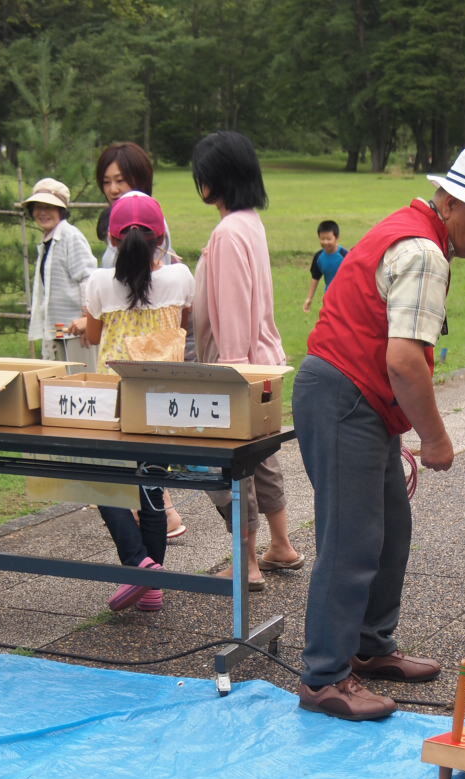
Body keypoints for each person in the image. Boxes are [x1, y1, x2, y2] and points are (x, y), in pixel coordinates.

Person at [295, 147, 465, 721]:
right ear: (453, 203)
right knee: (349, 542)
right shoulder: (424, 251)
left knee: (389, 529)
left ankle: (370, 646)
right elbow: (404, 361)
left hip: (355, 396)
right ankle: (325, 677)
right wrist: (437, 438)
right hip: (346, 396)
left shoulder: (413, 231)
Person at [191, 131, 302, 591]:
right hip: (262, 363)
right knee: (262, 460)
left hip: (240, 367)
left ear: (212, 182)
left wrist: (231, 375)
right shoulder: (249, 222)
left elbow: (233, 312)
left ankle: (247, 563)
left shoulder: (229, 231)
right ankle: (280, 545)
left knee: (232, 468)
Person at [81, 195, 194, 613]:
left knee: (102, 482)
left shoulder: (98, 282)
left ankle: (137, 564)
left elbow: (92, 337)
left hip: (115, 400)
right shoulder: (181, 276)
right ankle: (151, 586)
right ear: (160, 237)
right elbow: (182, 323)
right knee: (152, 485)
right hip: (162, 400)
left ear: (112, 238)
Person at [92, 142, 186, 539]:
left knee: (120, 461)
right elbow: (185, 310)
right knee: (150, 460)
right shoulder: (180, 274)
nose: (114, 188)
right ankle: (159, 525)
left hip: (117, 373)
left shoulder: (100, 279)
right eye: (107, 181)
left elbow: (96, 326)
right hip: (160, 372)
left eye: (121, 180)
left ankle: (144, 544)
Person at [22, 177, 97, 360]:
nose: (43, 213)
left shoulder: (70, 237)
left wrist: (88, 320)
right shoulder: (48, 241)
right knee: (60, 383)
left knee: (81, 383)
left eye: (48, 207)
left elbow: (88, 278)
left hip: (76, 330)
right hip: (58, 328)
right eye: (38, 208)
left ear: (61, 210)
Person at [302, 220, 348, 312]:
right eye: (322, 239)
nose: (325, 242)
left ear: (336, 238)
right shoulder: (319, 257)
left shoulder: (346, 256)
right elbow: (315, 278)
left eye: (329, 239)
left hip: (346, 298)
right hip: (329, 297)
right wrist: (309, 298)